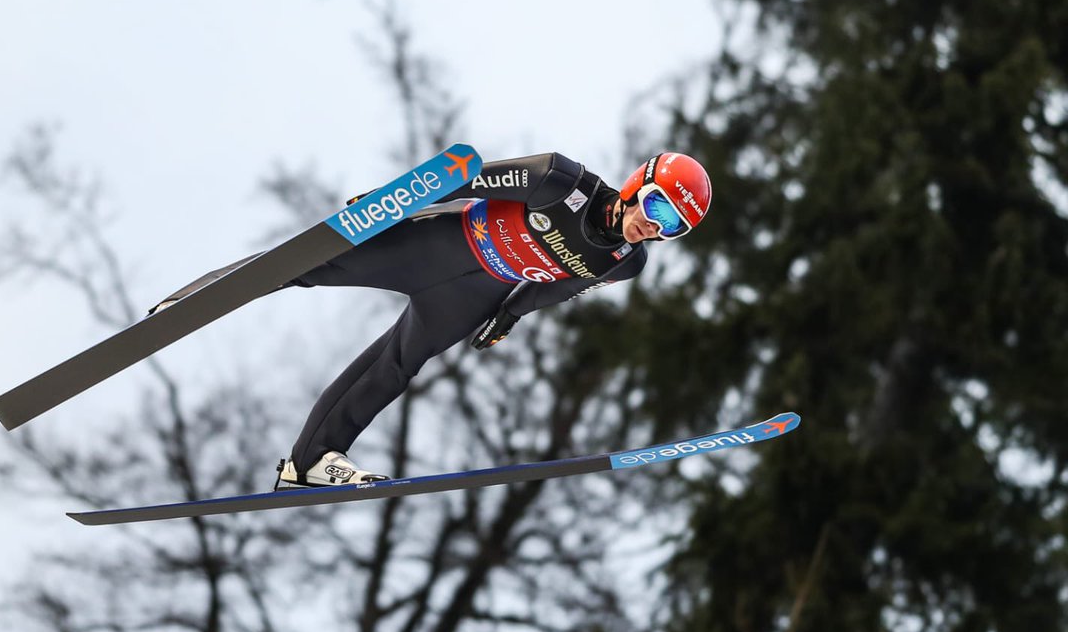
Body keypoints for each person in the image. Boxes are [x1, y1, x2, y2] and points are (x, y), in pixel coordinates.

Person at [152, 151, 712, 488]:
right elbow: (464, 178)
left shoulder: (625, 262)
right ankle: (196, 299)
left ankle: (311, 460)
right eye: (659, 207)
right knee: (308, 266)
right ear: (640, 184)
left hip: (473, 296)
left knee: (398, 365)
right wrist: (386, 202)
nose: (654, 227)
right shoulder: (558, 180)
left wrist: (510, 315)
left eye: (673, 227)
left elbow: (562, 287)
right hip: (442, 246)